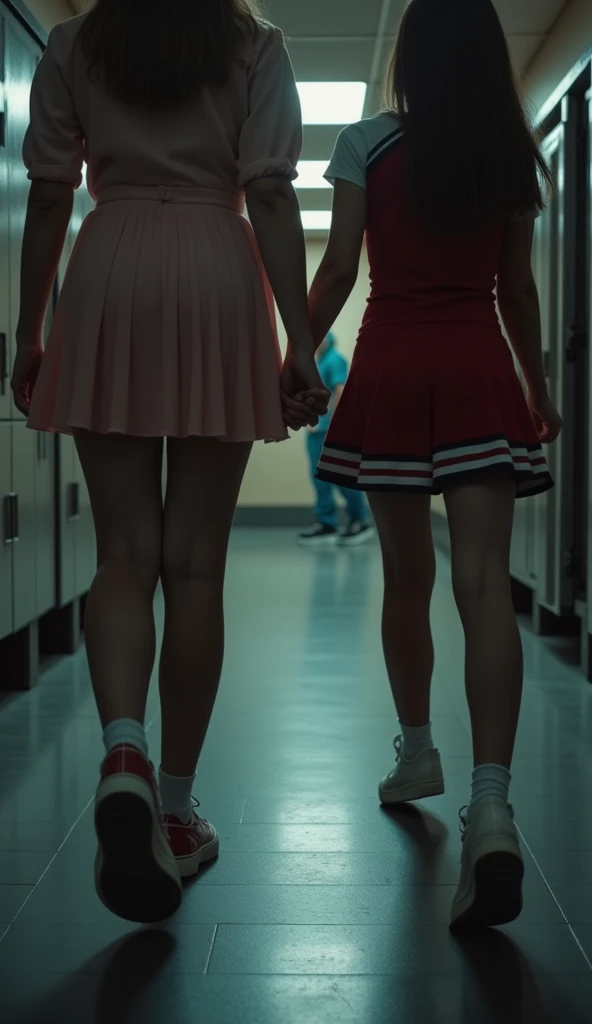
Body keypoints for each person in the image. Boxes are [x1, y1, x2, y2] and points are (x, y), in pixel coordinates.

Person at [11, 0, 326, 924]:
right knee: (194, 564)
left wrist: (30, 332)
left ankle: (122, 754)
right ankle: (178, 808)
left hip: (108, 268)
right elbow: (268, 191)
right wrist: (300, 344)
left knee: (123, 555)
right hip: (215, 269)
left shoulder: (76, 44)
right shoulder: (256, 47)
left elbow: (47, 190)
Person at [302, 0, 563, 928]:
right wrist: (535, 391)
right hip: (477, 366)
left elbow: (338, 273)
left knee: (406, 580)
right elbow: (520, 292)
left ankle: (418, 750)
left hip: (395, 366)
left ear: (408, 56)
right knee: (485, 587)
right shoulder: (510, 153)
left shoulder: (366, 142)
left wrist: (293, 351)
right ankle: (490, 800)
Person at [299, 332, 373, 546]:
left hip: (328, 430)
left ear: (328, 339)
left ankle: (360, 521)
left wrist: (336, 426)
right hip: (316, 431)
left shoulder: (334, 359)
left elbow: (340, 390)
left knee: (340, 475)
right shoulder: (318, 361)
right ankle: (327, 524)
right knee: (319, 479)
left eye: (319, 336)